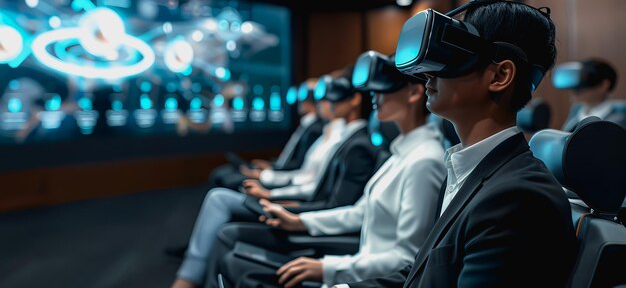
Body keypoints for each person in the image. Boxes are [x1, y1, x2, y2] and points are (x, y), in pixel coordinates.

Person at [335, 0, 577, 288]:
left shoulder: (518, 198)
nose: (428, 73)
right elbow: (426, 274)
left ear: (500, 76)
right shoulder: (467, 172)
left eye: (452, 56)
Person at [215, 51, 446, 288]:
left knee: (239, 267)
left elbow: (408, 260)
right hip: (357, 268)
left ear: (415, 92)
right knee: (237, 263)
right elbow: (358, 212)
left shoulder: (424, 161)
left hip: (367, 279)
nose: (374, 95)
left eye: (384, 86)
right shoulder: (401, 152)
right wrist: (299, 221)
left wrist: (329, 268)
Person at [171, 70, 375, 288]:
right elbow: (310, 182)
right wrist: (271, 185)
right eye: (323, 97)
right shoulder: (339, 136)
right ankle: (191, 270)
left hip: (310, 214)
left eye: (331, 96)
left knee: (221, 205)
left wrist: (282, 201)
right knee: (222, 198)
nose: (325, 103)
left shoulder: (354, 143)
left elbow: (331, 200)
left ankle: (188, 277)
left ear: (354, 100)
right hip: (304, 207)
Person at [209, 79, 325, 190]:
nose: (299, 100)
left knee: (223, 177)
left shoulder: (315, 129)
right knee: (221, 173)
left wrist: (268, 171)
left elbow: (299, 167)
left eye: (304, 95)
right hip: (277, 170)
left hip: (282, 177)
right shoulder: (306, 125)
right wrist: (270, 165)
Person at [553, 58, 625, 130]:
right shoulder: (577, 110)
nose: (575, 92)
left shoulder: (617, 120)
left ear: (604, 85)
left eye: (581, 87)